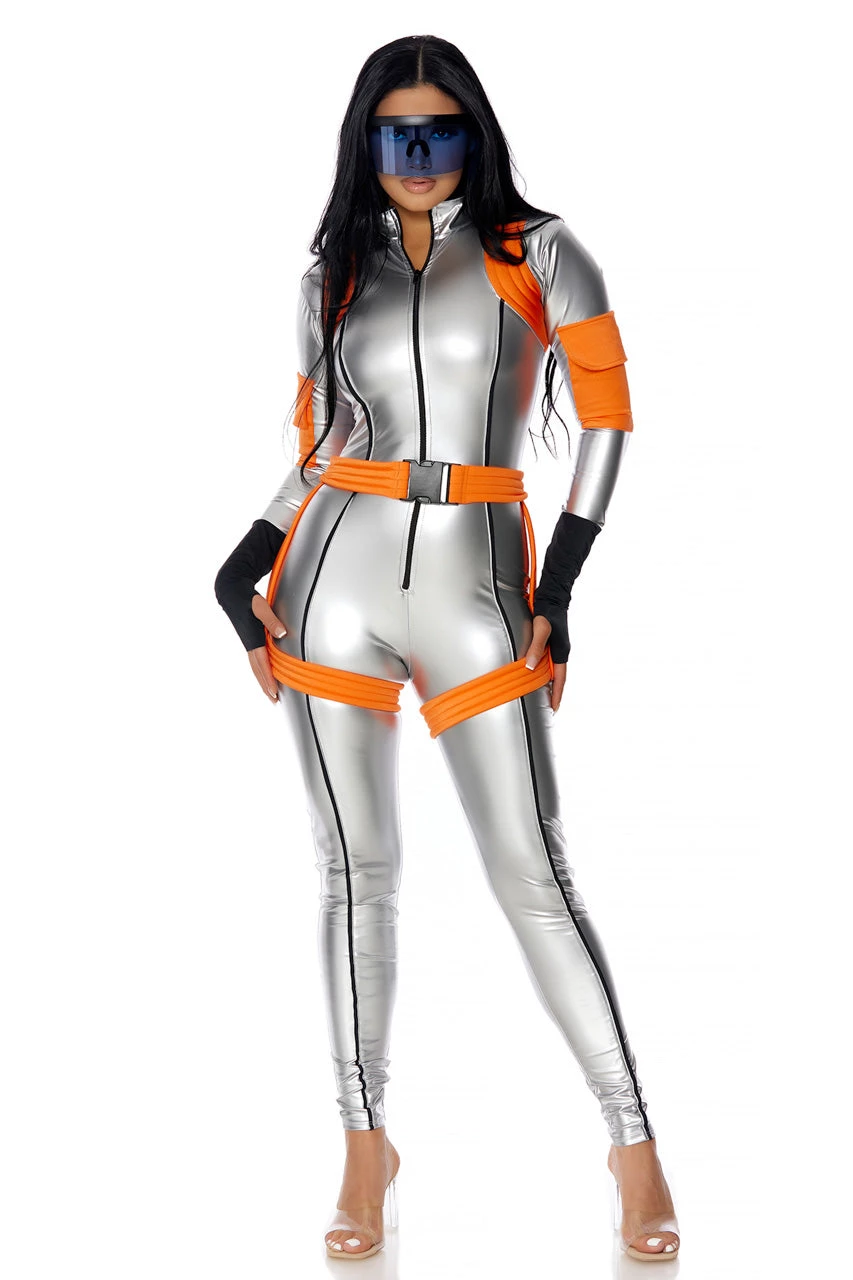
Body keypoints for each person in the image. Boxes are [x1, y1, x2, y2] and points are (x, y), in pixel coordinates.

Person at [214, 34, 681, 1263]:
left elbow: (607, 416)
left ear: (472, 134)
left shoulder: (540, 252)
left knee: (534, 869)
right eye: (395, 134)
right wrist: (243, 560)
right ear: (365, 142)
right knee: (351, 871)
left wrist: (559, 581)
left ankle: (633, 1142)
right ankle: (363, 1142)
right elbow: (322, 442)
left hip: (481, 581)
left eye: (439, 131)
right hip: (333, 575)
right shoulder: (331, 275)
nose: (417, 156)